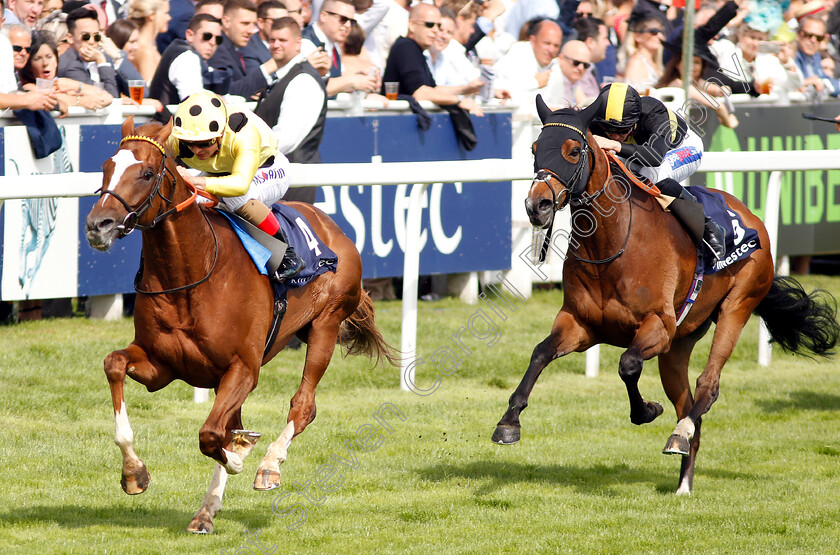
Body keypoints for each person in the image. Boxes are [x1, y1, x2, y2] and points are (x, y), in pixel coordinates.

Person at [169, 91, 305, 280]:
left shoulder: (244, 132)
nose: (197, 150)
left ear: (222, 133)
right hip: (222, 171)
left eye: (204, 143)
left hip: (267, 168)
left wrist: (195, 180)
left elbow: (240, 184)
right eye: (189, 144)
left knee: (235, 198)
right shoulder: (178, 137)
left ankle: (287, 255)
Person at [589, 82, 726, 259]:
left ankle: (709, 226)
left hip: (680, 148)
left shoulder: (654, 112)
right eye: (609, 130)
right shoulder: (599, 117)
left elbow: (654, 158)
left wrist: (613, 144)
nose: (615, 135)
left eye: (622, 130)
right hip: (641, 152)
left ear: (636, 120)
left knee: (654, 175)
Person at [255, 16, 326, 203]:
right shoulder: (284, 76)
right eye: (272, 40)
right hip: (275, 180)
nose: (276, 45)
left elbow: (287, 138)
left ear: (298, 44)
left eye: (282, 40)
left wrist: (245, 154)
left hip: (291, 185)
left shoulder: (303, 81)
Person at [381, 1, 482, 114]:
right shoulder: (406, 47)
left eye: (438, 25)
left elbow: (434, 89)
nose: (435, 30)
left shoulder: (417, 50)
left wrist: (467, 89)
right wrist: (458, 101)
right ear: (412, 25)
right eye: (429, 24)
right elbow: (420, 92)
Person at [148, 13, 228, 116]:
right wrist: (217, 98)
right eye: (207, 36)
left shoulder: (180, 50)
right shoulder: (188, 57)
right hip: (167, 127)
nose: (212, 42)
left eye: (218, 39)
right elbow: (194, 102)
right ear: (190, 35)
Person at [300, 0, 377, 97]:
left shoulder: (333, 43)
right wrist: (352, 80)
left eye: (352, 21)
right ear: (323, 16)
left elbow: (334, 83)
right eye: (343, 19)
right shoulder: (306, 43)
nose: (348, 26)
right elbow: (312, 88)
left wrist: (359, 79)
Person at [20, 30, 112, 109]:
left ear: (56, 60)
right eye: (38, 58)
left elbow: (107, 97)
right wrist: (80, 101)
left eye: (49, 57)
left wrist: (77, 86)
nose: (45, 63)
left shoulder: (64, 86)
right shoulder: (28, 88)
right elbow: (47, 99)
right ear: (29, 65)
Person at [207, 0, 279, 98]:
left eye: (253, 24)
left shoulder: (233, 47)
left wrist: (253, 90)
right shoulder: (218, 49)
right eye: (245, 23)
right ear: (226, 21)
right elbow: (226, 91)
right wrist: (268, 67)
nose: (251, 31)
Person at [493, 18, 561, 118]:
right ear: (532, 40)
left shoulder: (554, 64)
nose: (551, 50)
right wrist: (535, 82)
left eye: (556, 45)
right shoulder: (519, 52)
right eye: (547, 43)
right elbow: (510, 96)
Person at [57, 7, 119, 98]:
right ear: (70, 38)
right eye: (86, 36)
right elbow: (109, 97)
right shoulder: (68, 64)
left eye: (96, 37)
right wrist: (101, 62)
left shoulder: (105, 60)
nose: (92, 41)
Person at [794, 15, 839, 97]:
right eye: (808, 35)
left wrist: (822, 82)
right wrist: (804, 82)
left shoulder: (816, 57)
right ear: (798, 34)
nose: (813, 41)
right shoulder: (790, 57)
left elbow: (832, 83)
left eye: (819, 38)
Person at [544, 39, 598, 108]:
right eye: (576, 63)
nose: (580, 68)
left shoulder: (570, 79)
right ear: (561, 58)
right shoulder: (551, 78)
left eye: (585, 65)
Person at [127, 0, 171, 84]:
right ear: (152, 16)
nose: (169, 17)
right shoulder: (144, 50)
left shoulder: (150, 46)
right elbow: (149, 89)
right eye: (165, 13)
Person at [240, 0, 287, 73]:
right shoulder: (248, 48)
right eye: (277, 21)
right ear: (261, 23)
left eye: (286, 21)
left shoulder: (291, 45)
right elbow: (255, 80)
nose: (283, 26)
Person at [619, 17, 664, 92]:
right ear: (638, 37)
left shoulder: (654, 62)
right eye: (653, 32)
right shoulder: (636, 62)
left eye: (661, 32)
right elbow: (630, 95)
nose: (660, 36)